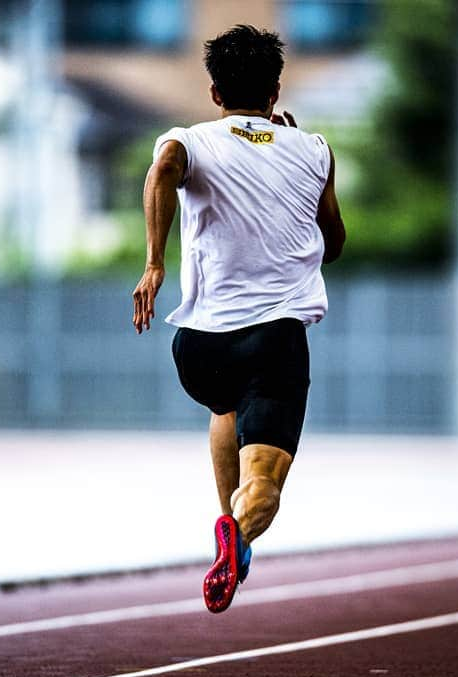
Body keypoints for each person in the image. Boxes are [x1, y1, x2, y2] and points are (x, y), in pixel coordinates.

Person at [131, 25, 345, 613]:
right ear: (276, 93)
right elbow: (334, 244)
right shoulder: (314, 151)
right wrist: (298, 181)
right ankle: (238, 532)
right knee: (266, 489)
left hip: (199, 347)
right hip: (273, 342)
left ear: (214, 92)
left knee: (226, 405)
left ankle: (230, 530)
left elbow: (164, 169)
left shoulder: (188, 139)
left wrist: (153, 265)